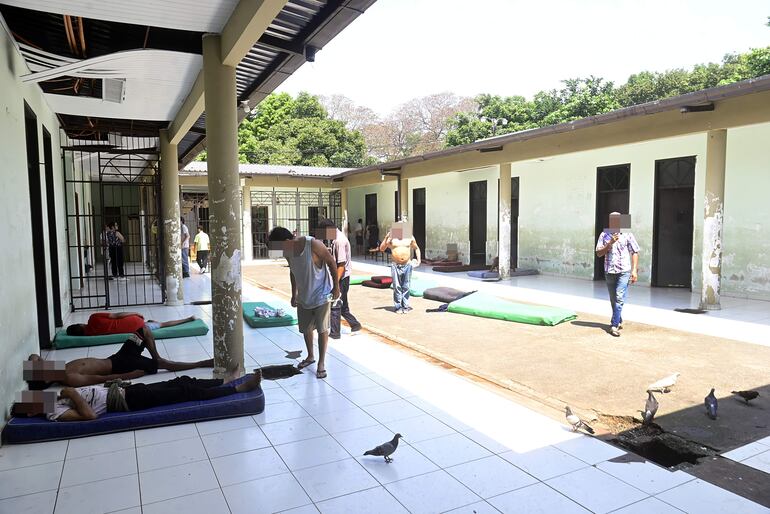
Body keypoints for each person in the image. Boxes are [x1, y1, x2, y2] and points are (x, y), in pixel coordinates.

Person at [15, 370, 262, 422]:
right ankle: (237, 389)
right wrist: (70, 393)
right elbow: (89, 416)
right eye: (33, 401)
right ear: (30, 411)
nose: (39, 398)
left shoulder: (54, 399)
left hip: (123, 390)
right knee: (186, 392)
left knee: (181, 381)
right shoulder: (54, 413)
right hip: (125, 401)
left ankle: (224, 380)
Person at [268, 226, 340, 379]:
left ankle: (321, 363)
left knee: (322, 329)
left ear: (286, 241)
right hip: (304, 295)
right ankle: (310, 356)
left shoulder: (312, 244)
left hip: (322, 293)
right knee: (306, 329)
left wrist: (336, 288)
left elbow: (331, 262)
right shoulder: (288, 252)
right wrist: (294, 294)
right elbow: (293, 271)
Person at [595, 212, 640, 337]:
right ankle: (618, 319)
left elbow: (635, 251)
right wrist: (609, 243)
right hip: (609, 271)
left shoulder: (627, 234)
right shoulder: (604, 234)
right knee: (613, 299)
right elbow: (599, 253)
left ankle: (613, 325)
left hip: (624, 271)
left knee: (619, 297)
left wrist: (634, 270)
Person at [319, 219, 362, 339]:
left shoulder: (339, 241)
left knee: (335, 303)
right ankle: (355, 324)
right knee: (343, 305)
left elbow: (341, 265)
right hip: (340, 276)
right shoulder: (334, 239)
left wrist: (335, 284)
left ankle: (335, 333)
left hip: (341, 277)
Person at [379, 224, 421, 314]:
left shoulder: (410, 237)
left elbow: (416, 248)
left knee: (406, 286)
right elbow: (382, 248)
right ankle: (398, 306)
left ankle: (405, 306)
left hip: (407, 265)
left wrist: (419, 260)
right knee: (397, 286)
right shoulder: (392, 238)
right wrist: (386, 238)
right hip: (395, 265)